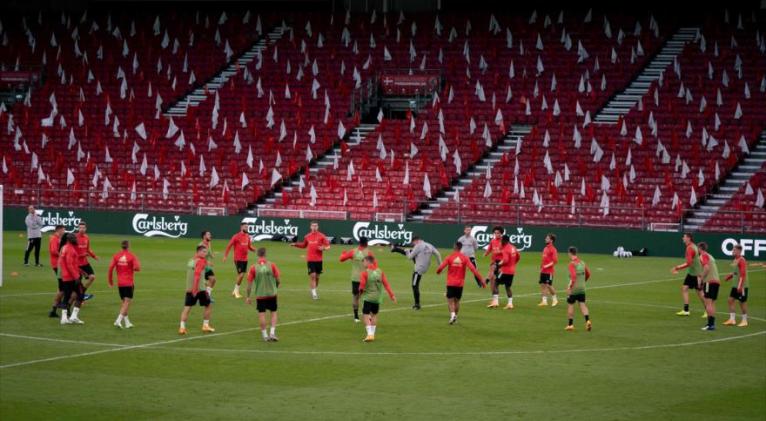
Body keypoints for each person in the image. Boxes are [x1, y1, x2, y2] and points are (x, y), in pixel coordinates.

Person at [435, 241, 485, 324]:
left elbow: (440, 268)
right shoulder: (465, 258)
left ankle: (452, 315)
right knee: (457, 301)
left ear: (454, 247)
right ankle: (455, 317)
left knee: (450, 301)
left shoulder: (449, 257)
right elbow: (474, 270)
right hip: (460, 284)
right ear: (461, 248)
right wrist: (482, 280)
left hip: (451, 283)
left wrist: (438, 271)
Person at [392, 236, 442, 310]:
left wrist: (407, 251)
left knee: (414, 285)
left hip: (419, 269)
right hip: (426, 267)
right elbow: (438, 254)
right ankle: (395, 249)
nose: (413, 244)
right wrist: (440, 266)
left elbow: (410, 257)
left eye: (413, 243)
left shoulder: (418, 246)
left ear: (416, 241)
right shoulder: (429, 245)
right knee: (412, 252)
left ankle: (417, 304)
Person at [245, 248, 281, 342]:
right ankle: (272, 333)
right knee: (273, 313)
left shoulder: (253, 267)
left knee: (262, 315)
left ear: (257, 255)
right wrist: (276, 287)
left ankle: (265, 335)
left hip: (260, 295)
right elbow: (278, 279)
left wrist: (248, 297)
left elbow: (249, 285)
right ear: (265, 254)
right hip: (272, 294)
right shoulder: (272, 265)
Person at [358, 255, 397, 342]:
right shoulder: (380, 272)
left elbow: (361, 287)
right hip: (377, 298)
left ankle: (369, 334)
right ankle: (372, 334)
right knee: (374, 315)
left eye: (364, 261)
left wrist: (359, 295)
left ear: (368, 262)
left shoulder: (365, 273)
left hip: (368, 297)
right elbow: (386, 284)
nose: (363, 263)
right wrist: (392, 295)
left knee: (365, 315)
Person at [179, 245, 215, 334]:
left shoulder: (191, 261)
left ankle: (182, 328)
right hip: (199, 289)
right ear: (198, 252)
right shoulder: (200, 262)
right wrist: (195, 289)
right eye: (203, 252)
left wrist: (208, 264)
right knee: (208, 305)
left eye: (206, 252)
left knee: (187, 308)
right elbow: (197, 276)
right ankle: (205, 326)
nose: (205, 253)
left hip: (189, 288)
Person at [291, 221, 330, 300]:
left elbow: (328, 246)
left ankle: (313, 289)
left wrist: (324, 248)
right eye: (313, 226)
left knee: (317, 277)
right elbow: (303, 245)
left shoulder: (322, 236)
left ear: (318, 227)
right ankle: (314, 293)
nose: (314, 227)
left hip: (319, 260)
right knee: (313, 276)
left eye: (316, 226)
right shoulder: (307, 236)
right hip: (310, 259)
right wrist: (295, 244)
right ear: (310, 227)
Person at [339, 236, 374, 322]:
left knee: (355, 297)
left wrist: (343, 253)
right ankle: (368, 314)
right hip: (366, 278)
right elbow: (374, 266)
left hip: (355, 278)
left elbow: (341, 259)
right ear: (366, 243)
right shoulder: (369, 253)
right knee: (367, 297)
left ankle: (356, 317)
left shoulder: (353, 251)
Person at [107, 240, 141, 329]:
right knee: (127, 302)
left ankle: (127, 322)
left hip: (120, 283)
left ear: (121, 246)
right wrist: (132, 268)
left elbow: (110, 268)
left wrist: (110, 281)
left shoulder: (116, 256)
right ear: (128, 246)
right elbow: (137, 268)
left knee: (124, 303)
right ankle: (118, 320)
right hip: (128, 282)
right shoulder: (132, 256)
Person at [670, 233, 704, 316]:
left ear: (689, 238)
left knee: (699, 292)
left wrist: (677, 267)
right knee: (685, 288)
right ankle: (686, 310)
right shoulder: (694, 246)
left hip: (695, 273)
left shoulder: (690, 248)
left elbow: (689, 263)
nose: (683, 238)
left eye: (684, 237)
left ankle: (708, 310)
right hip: (693, 272)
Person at [223, 222, 256, 299]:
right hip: (238, 259)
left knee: (241, 275)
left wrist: (254, 249)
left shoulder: (247, 236)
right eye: (245, 227)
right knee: (241, 274)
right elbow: (229, 246)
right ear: (241, 227)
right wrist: (225, 256)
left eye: (247, 227)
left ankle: (235, 291)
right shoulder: (236, 236)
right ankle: (236, 291)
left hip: (245, 259)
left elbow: (249, 246)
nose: (247, 228)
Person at [58, 233, 85, 325]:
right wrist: (76, 276)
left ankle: (64, 318)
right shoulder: (70, 249)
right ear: (70, 239)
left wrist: (81, 271)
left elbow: (65, 263)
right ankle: (73, 317)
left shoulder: (64, 248)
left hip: (66, 276)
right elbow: (70, 264)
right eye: (74, 238)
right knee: (81, 295)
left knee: (67, 296)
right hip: (72, 277)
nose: (76, 239)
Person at [489, 235, 520, 310]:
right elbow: (518, 257)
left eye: (501, 240)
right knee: (508, 287)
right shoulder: (513, 247)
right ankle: (510, 304)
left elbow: (505, 260)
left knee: (495, 283)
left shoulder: (505, 249)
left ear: (504, 241)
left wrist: (498, 264)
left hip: (505, 271)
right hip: (512, 271)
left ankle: (495, 302)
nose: (500, 242)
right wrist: (513, 264)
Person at [565, 246, 592, 332]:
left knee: (570, 305)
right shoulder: (582, 262)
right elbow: (588, 274)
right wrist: (583, 282)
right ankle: (587, 320)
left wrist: (570, 287)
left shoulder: (572, 264)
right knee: (582, 304)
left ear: (570, 253)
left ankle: (570, 325)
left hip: (574, 289)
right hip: (582, 288)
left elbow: (573, 277)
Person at [723, 244, 749, 327]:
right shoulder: (735, 259)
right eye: (733, 250)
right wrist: (730, 276)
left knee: (742, 303)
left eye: (734, 250)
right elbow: (736, 272)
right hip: (735, 285)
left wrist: (740, 286)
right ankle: (732, 319)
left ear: (739, 251)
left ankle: (744, 321)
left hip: (742, 285)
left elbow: (743, 274)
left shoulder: (742, 260)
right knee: (730, 300)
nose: (732, 251)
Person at [698, 242, 720, 331]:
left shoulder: (703, 255)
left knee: (708, 303)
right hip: (716, 281)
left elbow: (706, 268)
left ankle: (710, 325)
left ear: (700, 248)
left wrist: (701, 279)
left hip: (709, 281)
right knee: (712, 303)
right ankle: (711, 324)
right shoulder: (710, 256)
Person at [75, 221, 98, 301]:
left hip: (85, 262)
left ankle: (82, 293)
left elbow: (88, 249)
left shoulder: (86, 237)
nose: (81, 229)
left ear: (86, 229)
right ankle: (80, 296)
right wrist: (82, 255)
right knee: (77, 282)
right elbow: (72, 253)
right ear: (78, 228)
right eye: (80, 227)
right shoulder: (74, 238)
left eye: (83, 228)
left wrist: (94, 256)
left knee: (92, 277)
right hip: (77, 264)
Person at [483, 226, 505, 307]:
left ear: (501, 234)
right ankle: (494, 299)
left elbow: (506, 253)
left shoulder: (503, 242)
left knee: (496, 281)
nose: (496, 234)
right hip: (493, 262)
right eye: (495, 233)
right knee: (493, 282)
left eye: (498, 233)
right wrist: (485, 254)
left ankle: (487, 279)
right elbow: (489, 249)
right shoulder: (492, 241)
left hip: (501, 264)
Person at [48, 225, 66, 318]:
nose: (64, 231)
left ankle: (58, 305)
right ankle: (57, 307)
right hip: (57, 265)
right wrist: (63, 255)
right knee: (63, 287)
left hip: (59, 264)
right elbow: (53, 251)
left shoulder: (57, 238)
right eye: (63, 230)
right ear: (58, 230)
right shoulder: (54, 239)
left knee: (62, 286)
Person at [538, 233, 559, 307]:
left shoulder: (553, 249)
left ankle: (555, 299)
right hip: (543, 271)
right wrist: (541, 268)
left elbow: (555, 261)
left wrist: (547, 266)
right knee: (542, 285)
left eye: (547, 238)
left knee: (549, 285)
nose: (545, 239)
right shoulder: (545, 248)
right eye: (546, 238)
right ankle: (544, 301)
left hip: (549, 271)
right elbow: (543, 260)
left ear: (551, 240)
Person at [199, 230, 217, 301]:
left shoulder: (208, 243)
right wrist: (208, 262)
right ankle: (205, 297)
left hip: (207, 267)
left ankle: (207, 296)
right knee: (206, 282)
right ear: (204, 236)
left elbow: (209, 252)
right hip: (202, 266)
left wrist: (212, 255)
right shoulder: (201, 245)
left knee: (213, 280)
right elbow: (199, 257)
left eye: (210, 234)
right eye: (208, 234)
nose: (210, 235)